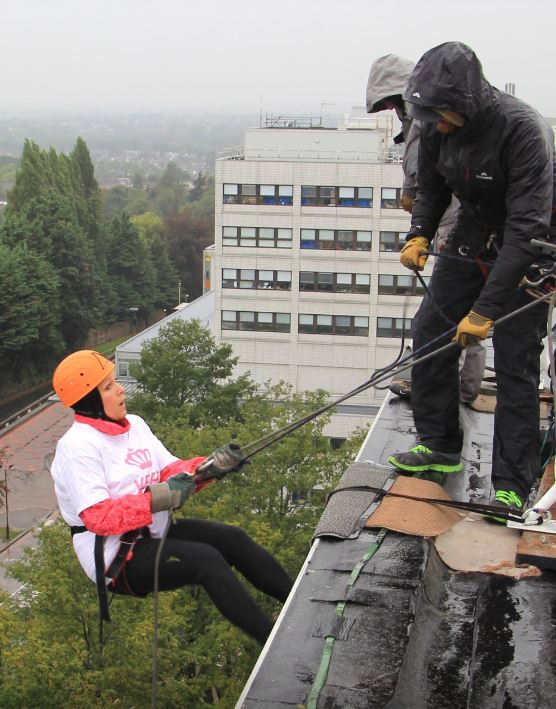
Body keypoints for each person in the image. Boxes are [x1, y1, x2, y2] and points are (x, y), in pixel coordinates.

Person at [386, 41, 555, 515]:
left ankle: (511, 484)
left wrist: (484, 312)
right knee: (429, 331)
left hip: (531, 246)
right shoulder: (435, 127)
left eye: (439, 116)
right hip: (473, 232)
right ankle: (439, 442)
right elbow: (432, 187)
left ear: (463, 103)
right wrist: (419, 233)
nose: (434, 126)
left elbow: (526, 230)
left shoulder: (522, 130)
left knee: (517, 361)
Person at [50, 350, 293, 644]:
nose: (121, 390)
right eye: (109, 387)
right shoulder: (78, 449)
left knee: (232, 539)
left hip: (153, 529)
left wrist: (209, 467)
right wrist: (162, 497)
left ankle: (297, 602)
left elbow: (169, 470)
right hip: (115, 557)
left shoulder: (136, 425)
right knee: (206, 560)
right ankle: (274, 643)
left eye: (115, 382)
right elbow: (99, 517)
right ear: (89, 401)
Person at [366, 53, 486, 405]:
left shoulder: (426, 118)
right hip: (452, 218)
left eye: (391, 102)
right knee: (458, 310)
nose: (391, 109)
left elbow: (424, 172)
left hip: (455, 221)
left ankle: (449, 389)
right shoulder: (422, 117)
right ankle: (458, 387)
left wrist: (415, 199)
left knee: (449, 311)